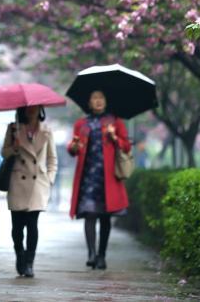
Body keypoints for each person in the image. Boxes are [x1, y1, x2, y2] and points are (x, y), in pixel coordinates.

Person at [68, 90, 131, 270]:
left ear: (106, 101)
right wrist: (73, 146)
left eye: (101, 98)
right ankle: (91, 253)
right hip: (88, 177)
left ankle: (102, 255)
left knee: (105, 217)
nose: (98, 101)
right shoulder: (81, 124)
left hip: (108, 178)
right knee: (90, 214)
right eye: (94, 98)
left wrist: (114, 137)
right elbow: (73, 148)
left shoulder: (115, 122)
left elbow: (126, 147)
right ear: (89, 102)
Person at [1, 105, 57, 278]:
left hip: (38, 183)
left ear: (40, 108)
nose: (31, 110)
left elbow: (51, 158)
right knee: (17, 226)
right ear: (22, 109)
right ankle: (19, 253)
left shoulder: (47, 131)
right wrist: (15, 148)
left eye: (35, 107)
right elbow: (4, 153)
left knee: (32, 224)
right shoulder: (13, 128)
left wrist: (50, 178)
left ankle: (29, 263)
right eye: (28, 107)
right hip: (18, 181)